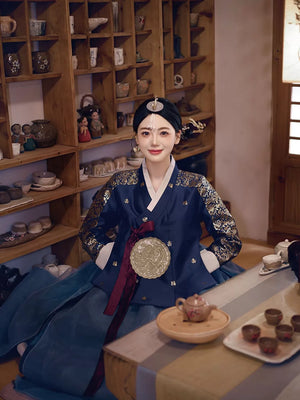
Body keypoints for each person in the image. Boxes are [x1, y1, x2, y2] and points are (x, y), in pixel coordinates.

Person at [0, 97, 243, 400]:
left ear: (178, 136)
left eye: (164, 132)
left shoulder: (196, 186)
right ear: (136, 137)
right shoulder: (120, 183)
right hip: (123, 279)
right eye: (145, 132)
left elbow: (229, 238)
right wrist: (113, 258)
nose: (154, 141)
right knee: (84, 340)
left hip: (185, 281)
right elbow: (91, 230)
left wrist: (198, 263)